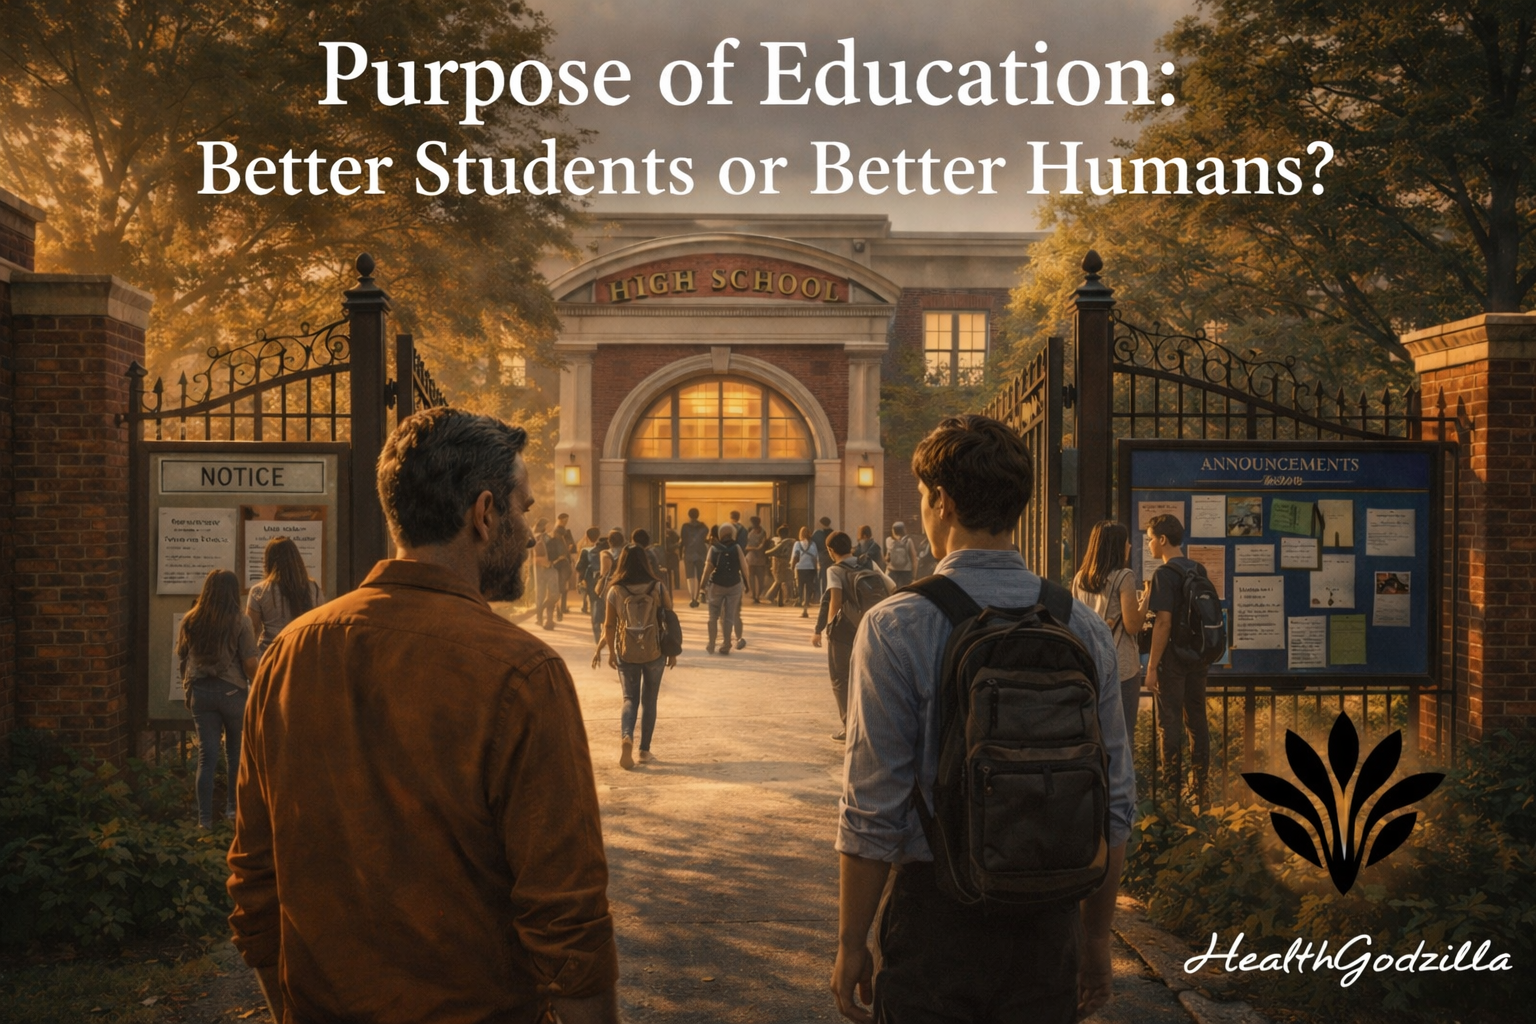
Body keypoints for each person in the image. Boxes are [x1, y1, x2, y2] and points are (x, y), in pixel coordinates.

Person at [228, 407, 618, 1024]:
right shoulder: (520, 672)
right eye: (526, 509)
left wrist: (290, 1010)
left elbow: (255, 876)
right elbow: (566, 912)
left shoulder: (291, 653)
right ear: (485, 514)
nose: (533, 533)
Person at [832, 415, 1134, 1024]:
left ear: (941, 500)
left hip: (937, 917)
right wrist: (1096, 941)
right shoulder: (1081, 625)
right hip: (1050, 919)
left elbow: (875, 807)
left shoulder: (897, 625)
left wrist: (850, 942)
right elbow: (1115, 802)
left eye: (923, 497)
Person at [178, 568, 259, 829]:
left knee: (207, 756)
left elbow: (183, 657)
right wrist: (258, 685)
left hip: (201, 693)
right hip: (233, 693)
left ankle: (204, 821)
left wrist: (187, 691)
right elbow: (249, 663)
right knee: (235, 754)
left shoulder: (191, 619)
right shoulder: (240, 621)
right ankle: (232, 813)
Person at [1145, 513, 1212, 807]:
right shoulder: (1198, 569)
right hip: (1198, 658)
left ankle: (1172, 796)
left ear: (1162, 540)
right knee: (1197, 722)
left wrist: (1151, 667)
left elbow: (1163, 623)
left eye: (1150, 539)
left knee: (1169, 724)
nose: (1149, 545)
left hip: (1172, 660)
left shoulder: (1163, 574)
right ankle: (1202, 791)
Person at [592, 543, 677, 769]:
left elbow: (609, 626)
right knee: (650, 700)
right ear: (645, 561)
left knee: (630, 698)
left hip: (626, 651)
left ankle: (626, 736)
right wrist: (673, 651)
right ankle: (644, 751)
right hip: (655, 651)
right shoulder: (658, 587)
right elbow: (670, 619)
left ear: (622, 562)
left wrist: (611, 652)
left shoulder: (615, 590)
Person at [1071, 520, 1148, 744]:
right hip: (1120, 666)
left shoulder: (1080, 578)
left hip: (1090, 665)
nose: (1129, 546)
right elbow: (1133, 625)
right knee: (1122, 736)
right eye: (1126, 542)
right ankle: (1121, 779)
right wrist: (1145, 602)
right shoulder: (1124, 577)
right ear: (1117, 546)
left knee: (1094, 733)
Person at [812, 532, 893, 742]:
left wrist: (828, 628)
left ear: (830, 551)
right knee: (869, 676)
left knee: (840, 678)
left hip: (844, 632)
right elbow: (891, 587)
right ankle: (873, 724)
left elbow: (834, 602)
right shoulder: (868, 562)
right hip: (872, 627)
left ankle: (849, 727)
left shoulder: (834, 570)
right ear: (851, 547)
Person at [245, 536, 323, 656]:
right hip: (303, 653)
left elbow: (251, 630)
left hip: (270, 655)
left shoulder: (259, 591)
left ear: (268, 561)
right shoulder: (314, 588)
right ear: (297, 559)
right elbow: (321, 624)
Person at [702, 523, 746, 654]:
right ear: (733, 534)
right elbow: (744, 567)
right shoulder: (737, 547)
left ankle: (711, 643)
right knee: (728, 616)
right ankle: (726, 644)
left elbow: (708, 568)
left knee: (712, 616)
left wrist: (702, 585)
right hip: (734, 585)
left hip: (716, 585)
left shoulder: (714, 549)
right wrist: (747, 585)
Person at [531, 517, 558, 629]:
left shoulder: (539, 537)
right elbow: (538, 557)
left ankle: (542, 618)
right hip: (545, 569)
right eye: (549, 524)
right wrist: (547, 562)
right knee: (547, 595)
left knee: (545, 595)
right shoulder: (541, 538)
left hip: (543, 569)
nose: (552, 526)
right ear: (545, 526)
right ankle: (547, 619)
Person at [680, 508, 709, 608]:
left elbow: (683, 541)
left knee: (690, 576)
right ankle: (697, 597)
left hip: (689, 552)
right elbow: (705, 537)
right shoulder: (704, 527)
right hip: (701, 553)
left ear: (689, 515)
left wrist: (681, 553)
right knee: (700, 576)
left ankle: (692, 598)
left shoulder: (685, 526)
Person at [552, 512, 576, 618]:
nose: (566, 522)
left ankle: (562, 607)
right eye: (565, 520)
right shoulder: (558, 531)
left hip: (563, 560)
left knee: (562, 586)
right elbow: (560, 546)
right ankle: (560, 609)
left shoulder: (562, 530)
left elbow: (570, 545)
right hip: (560, 561)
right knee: (561, 586)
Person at [764, 524, 795, 606]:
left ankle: (770, 596)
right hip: (788, 563)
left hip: (780, 564)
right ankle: (784, 598)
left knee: (779, 581)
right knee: (784, 581)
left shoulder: (782, 542)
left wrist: (767, 552)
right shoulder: (792, 541)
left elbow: (771, 552)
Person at [792, 526, 819, 618]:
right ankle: (806, 608)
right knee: (808, 589)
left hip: (800, 569)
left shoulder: (797, 544)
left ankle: (801, 602)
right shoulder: (813, 544)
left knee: (800, 588)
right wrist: (816, 569)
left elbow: (794, 558)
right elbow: (816, 557)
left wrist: (792, 568)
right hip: (810, 569)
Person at [884, 521, 918, 588]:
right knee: (904, 594)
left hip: (892, 572)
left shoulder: (888, 541)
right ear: (904, 530)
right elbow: (914, 560)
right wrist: (914, 577)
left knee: (892, 594)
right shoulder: (908, 541)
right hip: (906, 573)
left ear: (893, 530)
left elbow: (887, 559)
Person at [577, 525, 602, 616]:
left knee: (590, 596)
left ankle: (593, 616)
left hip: (589, 577)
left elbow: (579, 566)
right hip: (601, 577)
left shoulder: (584, 548)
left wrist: (580, 579)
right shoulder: (603, 548)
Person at [745, 515, 770, 603]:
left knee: (760, 578)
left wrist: (752, 548)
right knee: (751, 575)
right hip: (752, 555)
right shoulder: (750, 530)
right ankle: (754, 594)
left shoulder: (762, 532)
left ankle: (758, 595)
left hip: (759, 555)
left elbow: (762, 545)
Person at [811, 516, 834, 595]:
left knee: (823, 577)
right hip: (832, 557)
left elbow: (815, 545)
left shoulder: (817, 533)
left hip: (822, 557)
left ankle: (823, 595)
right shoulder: (832, 532)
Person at [663, 518, 682, 590]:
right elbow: (679, 540)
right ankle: (677, 586)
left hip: (668, 554)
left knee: (669, 571)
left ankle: (670, 586)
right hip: (672, 553)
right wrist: (676, 545)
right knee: (675, 570)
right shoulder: (672, 533)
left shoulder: (666, 533)